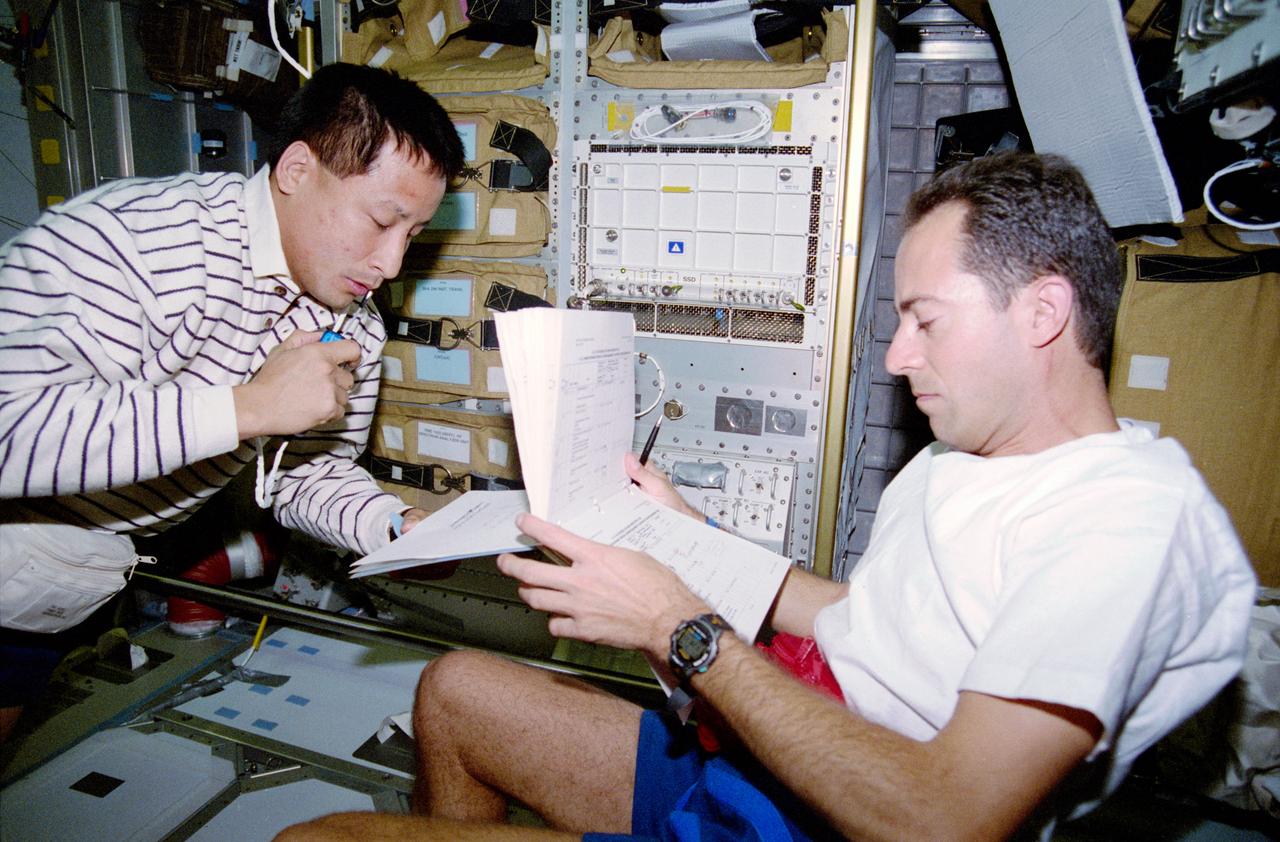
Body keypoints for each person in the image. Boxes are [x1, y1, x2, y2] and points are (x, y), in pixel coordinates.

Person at [278, 152, 1257, 841]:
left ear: (1041, 311)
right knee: (454, 686)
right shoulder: (971, 457)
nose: (896, 354)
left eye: (923, 320)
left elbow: (945, 818)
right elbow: (869, 621)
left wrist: (681, 623)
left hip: (842, 816)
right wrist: (686, 537)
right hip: (772, 765)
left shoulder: (1126, 520)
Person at [0, 63, 465, 736]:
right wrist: (248, 407)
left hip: (66, 586)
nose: (391, 263)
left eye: (413, 236)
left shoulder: (353, 322)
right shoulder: (139, 241)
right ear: (298, 170)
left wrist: (393, 527)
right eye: (380, 221)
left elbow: (307, 471)